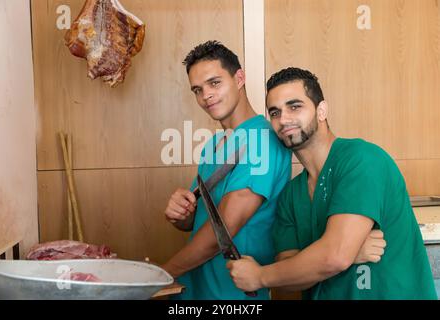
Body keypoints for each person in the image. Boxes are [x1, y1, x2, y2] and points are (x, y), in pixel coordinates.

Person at [227, 67, 438, 300]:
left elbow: (334, 256)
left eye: (295, 106)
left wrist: (260, 276)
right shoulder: (291, 195)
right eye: (275, 112)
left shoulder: (362, 160)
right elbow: (288, 278)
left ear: (321, 110)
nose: (283, 119)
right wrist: (339, 252)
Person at [161, 40, 291, 299]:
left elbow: (225, 228)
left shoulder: (261, 141)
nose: (205, 95)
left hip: (232, 296)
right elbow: (198, 222)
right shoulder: (214, 145)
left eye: (214, 83)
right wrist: (181, 214)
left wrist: (160, 274)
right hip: (194, 291)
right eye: (197, 89)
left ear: (239, 78)